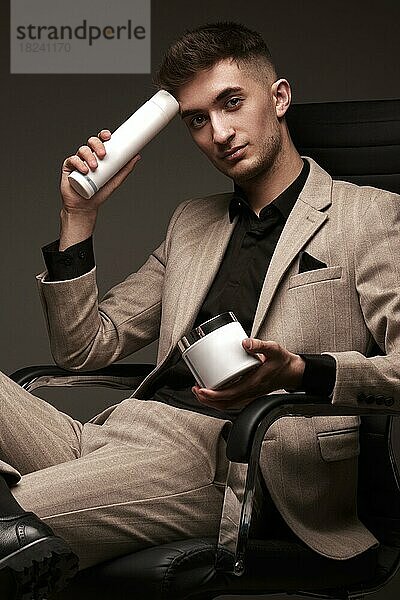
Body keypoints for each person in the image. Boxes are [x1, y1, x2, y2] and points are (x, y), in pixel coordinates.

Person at [1, 21, 399, 598]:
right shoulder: (192, 222)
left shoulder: (369, 218)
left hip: (231, 459)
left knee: (14, 529)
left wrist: (299, 370)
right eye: (196, 119)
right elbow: (85, 349)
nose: (219, 132)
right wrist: (78, 219)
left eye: (232, 103)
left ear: (279, 98)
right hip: (116, 437)